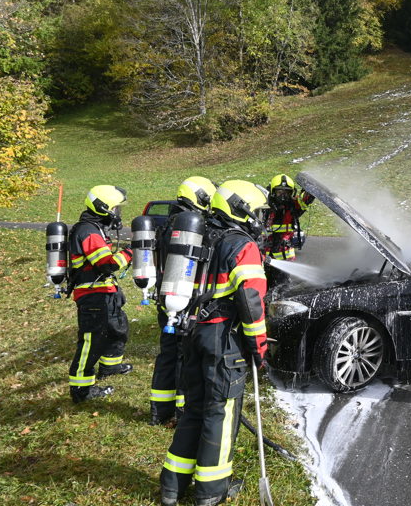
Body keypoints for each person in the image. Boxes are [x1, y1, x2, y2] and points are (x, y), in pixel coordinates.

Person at [160, 180, 270, 506]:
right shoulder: (242, 246)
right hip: (222, 341)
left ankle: (171, 487)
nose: (260, 219)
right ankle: (211, 491)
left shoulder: (200, 235)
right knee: (219, 415)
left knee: (193, 409)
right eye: (258, 212)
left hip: (191, 333)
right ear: (241, 209)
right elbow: (251, 303)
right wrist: (259, 348)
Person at [150, 176, 217, 426]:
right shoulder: (193, 227)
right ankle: (182, 412)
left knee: (167, 355)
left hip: (165, 298)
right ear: (199, 198)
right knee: (183, 357)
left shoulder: (167, 224)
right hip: (184, 301)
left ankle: (158, 410)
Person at [67, 185, 134, 404]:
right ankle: (81, 389)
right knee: (91, 341)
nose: (118, 213)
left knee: (117, 328)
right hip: (92, 295)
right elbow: (107, 264)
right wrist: (132, 251)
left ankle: (110, 366)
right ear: (103, 208)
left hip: (105, 291)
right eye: (115, 208)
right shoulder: (88, 231)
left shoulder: (96, 228)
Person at [264, 173, 314, 263]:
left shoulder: (293, 206)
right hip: (264, 255)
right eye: (279, 192)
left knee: (282, 277)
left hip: (285, 257)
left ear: (291, 193)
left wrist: (309, 187)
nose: (283, 196)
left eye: (286, 193)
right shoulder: (264, 206)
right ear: (273, 192)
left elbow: (305, 199)